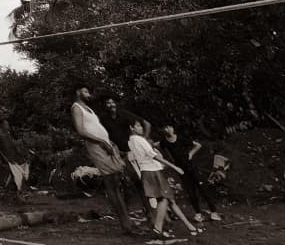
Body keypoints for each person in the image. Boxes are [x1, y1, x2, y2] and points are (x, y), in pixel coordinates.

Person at [71, 85, 137, 236]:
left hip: (106, 145)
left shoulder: (88, 108)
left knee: (117, 182)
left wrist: (108, 142)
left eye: (89, 91)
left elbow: (96, 127)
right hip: (97, 147)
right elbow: (81, 131)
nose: (88, 94)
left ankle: (127, 223)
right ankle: (126, 225)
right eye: (85, 91)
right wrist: (101, 141)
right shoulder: (76, 108)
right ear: (78, 92)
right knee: (111, 183)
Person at [126, 121, 201, 239]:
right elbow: (154, 156)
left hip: (150, 171)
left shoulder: (131, 141)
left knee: (170, 201)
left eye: (141, 126)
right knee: (164, 199)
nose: (141, 128)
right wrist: (175, 167)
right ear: (131, 128)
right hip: (152, 172)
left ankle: (190, 226)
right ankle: (158, 228)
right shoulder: (139, 140)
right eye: (138, 126)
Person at [101, 95, 152, 219]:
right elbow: (105, 137)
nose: (111, 105)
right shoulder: (104, 120)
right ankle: (146, 211)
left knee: (145, 181)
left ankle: (157, 211)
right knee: (132, 183)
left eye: (112, 102)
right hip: (122, 155)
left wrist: (144, 140)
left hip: (135, 152)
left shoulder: (124, 114)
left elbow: (146, 123)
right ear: (105, 105)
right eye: (108, 103)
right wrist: (113, 150)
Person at [160, 124, 222, 222]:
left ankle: (213, 212)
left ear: (173, 128)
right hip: (181, 169)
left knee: (202, 188)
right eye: (166, 128)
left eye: (170, 127)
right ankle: (198, 214)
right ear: (163, 130)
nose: (168, 129)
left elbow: (198, 145)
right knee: (190, 191)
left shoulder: (180, 138)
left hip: (191, 166)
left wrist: (191, 153)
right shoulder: (164, 141)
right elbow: (157, 147)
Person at [0, 124, 29, 198]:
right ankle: (15, 190)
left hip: (13, 158)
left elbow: (13, 147)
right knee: (17, 173)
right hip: (9, 158)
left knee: (15, 173)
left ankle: (11, 190)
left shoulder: (8, 135)